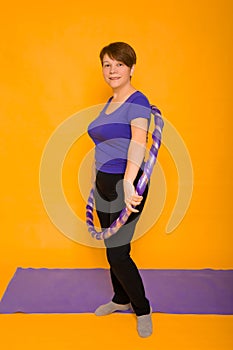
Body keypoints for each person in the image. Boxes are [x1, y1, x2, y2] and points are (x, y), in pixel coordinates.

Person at [87, 42, 153, 338]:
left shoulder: (137, 102)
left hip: (127, 185)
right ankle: (120, 298)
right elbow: (106, 145)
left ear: (132, 69)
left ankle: (142, 308)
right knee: (111, 248)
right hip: (103, 185)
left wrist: (128, 183)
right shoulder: (109, 102)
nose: (112, 70)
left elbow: (138, 142)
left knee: (118, 253)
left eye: (119, 64)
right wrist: (97, 181)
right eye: (107, 64)